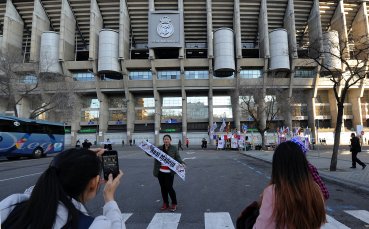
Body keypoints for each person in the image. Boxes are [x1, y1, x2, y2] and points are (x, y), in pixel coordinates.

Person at [0, 148, 124, 229]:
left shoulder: (11, 205)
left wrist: (71, 160)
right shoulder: (94, 225)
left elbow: (51, 179)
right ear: (94, 183)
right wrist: (109, 199)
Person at [253, 141, 326, 229]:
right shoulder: (315, 188)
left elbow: (262, 226)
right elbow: (319, 220)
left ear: (277, 166)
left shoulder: (273, 192)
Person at [153, 134, 185, 212]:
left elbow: (177, 157)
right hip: (160, 172)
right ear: (163, 140)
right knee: (163, 188)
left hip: (169, 173)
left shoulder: (174, 148)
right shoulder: (159, 148)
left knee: (169, 188)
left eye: (167, 139)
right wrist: (146, 150)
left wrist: (182, 163)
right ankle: (165, 203)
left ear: (170, 140)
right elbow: (151, 153)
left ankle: (174, 203)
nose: (166, 140)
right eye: (164, 139)